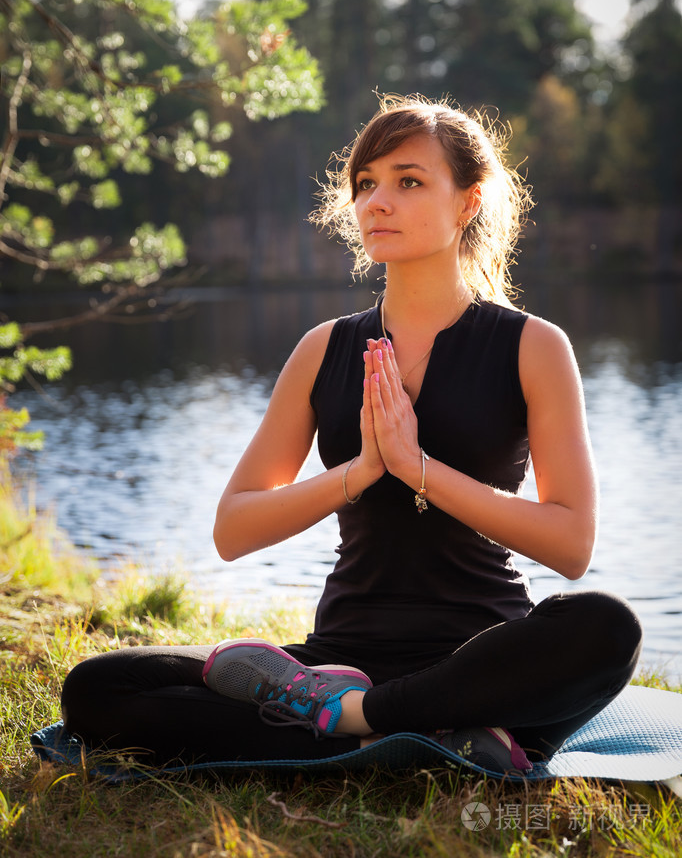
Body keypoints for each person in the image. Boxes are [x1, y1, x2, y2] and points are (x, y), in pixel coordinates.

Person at [61, 95, 642, 772]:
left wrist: (419, 467)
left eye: (409, 180)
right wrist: (360, 472)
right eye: (366, 183)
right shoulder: (324, 348)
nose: (377, 201)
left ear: (468, 202)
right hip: (337, 657)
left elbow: (571, 544)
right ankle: (423, 735)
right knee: (97, 688)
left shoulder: (533, 347)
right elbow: (233, 528)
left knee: (608, 628)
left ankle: (362, 724)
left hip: (481, 655)